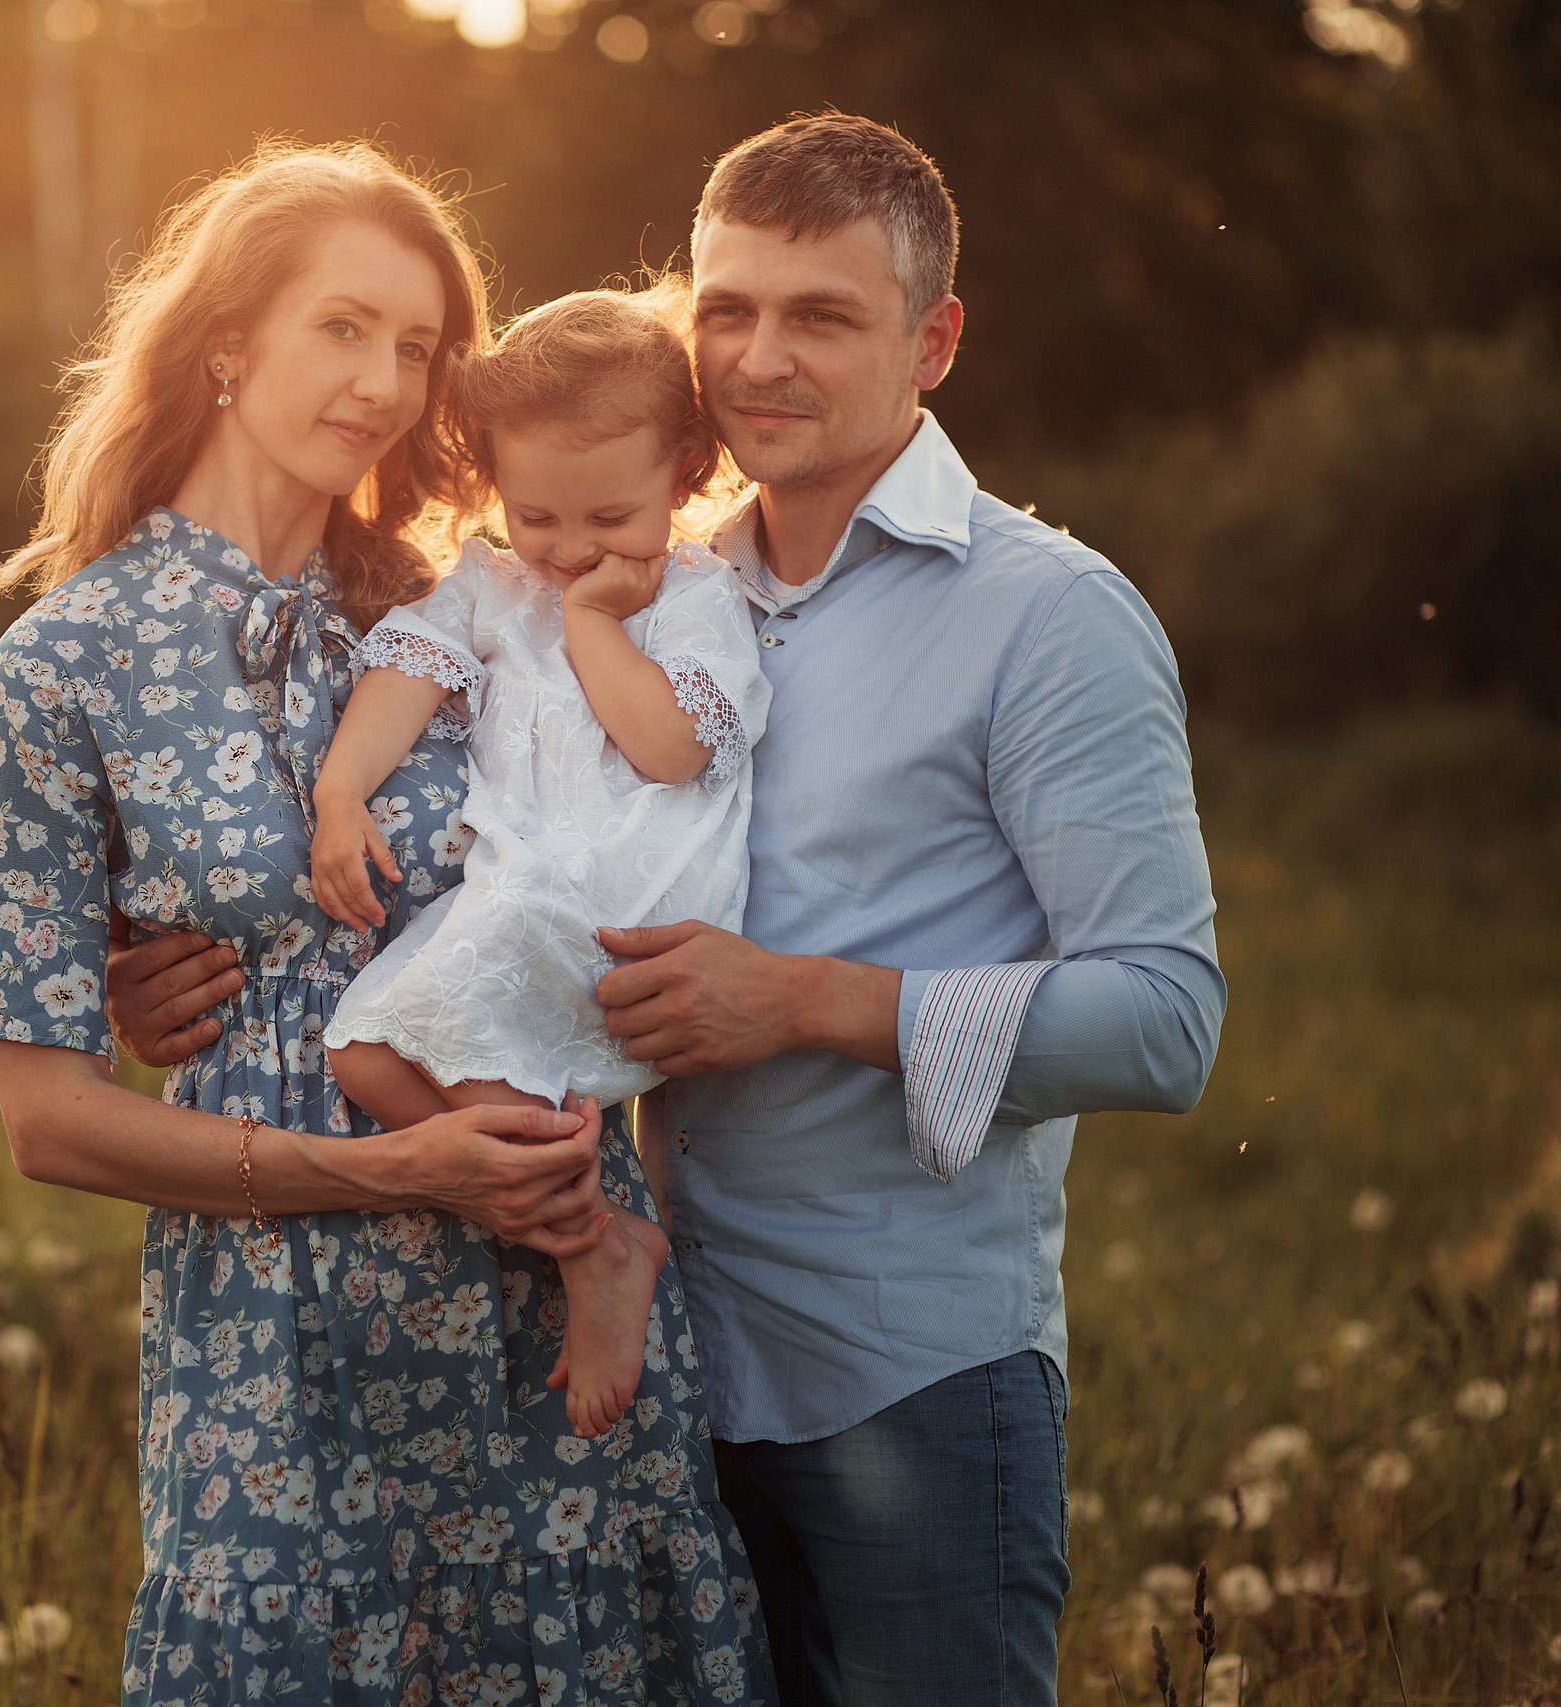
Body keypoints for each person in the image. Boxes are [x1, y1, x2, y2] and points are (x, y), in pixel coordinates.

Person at [110, 116, 1225, 1706]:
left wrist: (808, 1000)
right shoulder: (646, 557)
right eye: (728, 309)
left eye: (824, 316)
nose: (760, 357)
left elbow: (1169, 1020)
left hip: (902, 1378)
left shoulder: (1044, 616)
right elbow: (487, 825)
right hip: (653, 1395)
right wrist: (157, 970)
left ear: (937, 339)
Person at [0, 141, 776, 1706]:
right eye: (344, 327)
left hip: (549, 1298)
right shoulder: (66, 662)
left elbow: (656, 810)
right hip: (276, 1348)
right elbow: (45, 1121)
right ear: (229, 339)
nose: (385, 380)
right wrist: (383, 1167)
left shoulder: (484, 591)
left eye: (420, 345)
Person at [308, 285, 769, 1442]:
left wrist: (594, 628)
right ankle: (593, 1237)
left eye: (608, 517)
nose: (569, 553)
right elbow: (407, 671)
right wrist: (339, 788)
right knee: (364, 1055)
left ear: (685, 472)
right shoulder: (488, 585)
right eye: (537, 519)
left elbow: (667, 749)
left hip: (636, 908)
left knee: (419, 1007)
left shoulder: (701, 601)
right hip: (522, 898)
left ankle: (593, 1252)